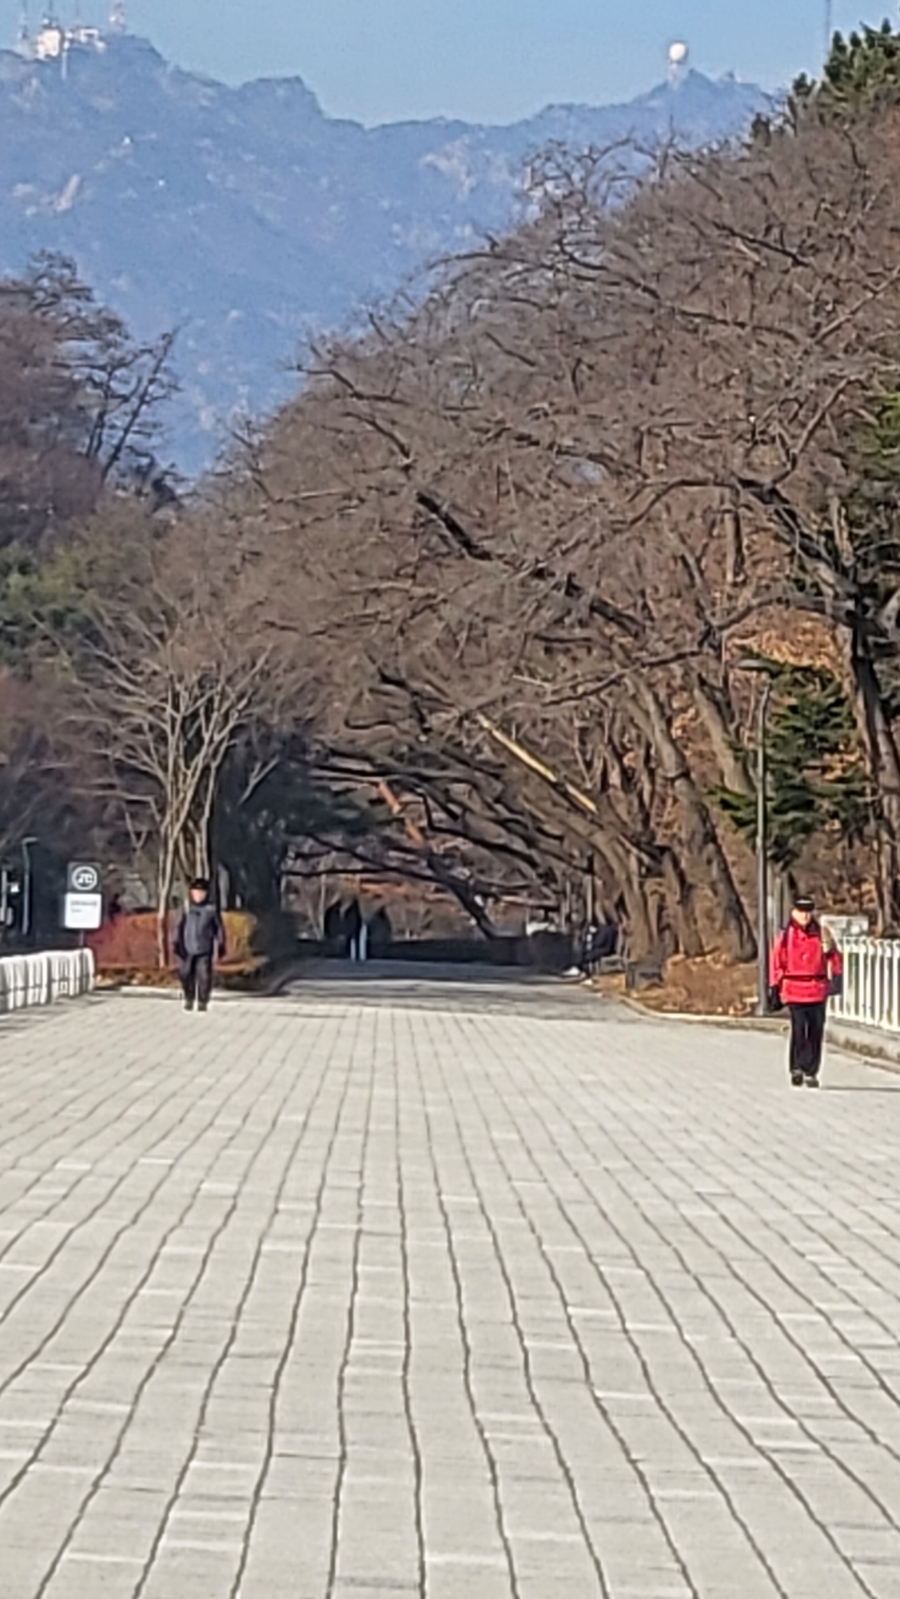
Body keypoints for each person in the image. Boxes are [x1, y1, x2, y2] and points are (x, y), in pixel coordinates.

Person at [768, 894, 843, 1088]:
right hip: (794, 988)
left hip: (817, 989)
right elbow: (777, 961)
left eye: (808, 912)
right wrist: (775, 986)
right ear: (794, 912)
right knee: (799, 1028)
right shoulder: (785, 936)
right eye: (801, 912)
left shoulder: (822, 934)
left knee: (816, 1031)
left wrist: (836, 977)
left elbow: (834, 957)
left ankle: (811, 1071)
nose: (805, 916)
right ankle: (798, 1066)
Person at [173, 878, 227, 1013]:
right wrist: (175, 941)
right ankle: (189, 998)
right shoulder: (185, 909)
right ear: (191, 893)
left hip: (204, 948)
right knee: (185, 974)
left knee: (204, 976)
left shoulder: (211, 910)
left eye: (201, 892)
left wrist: (221, 943)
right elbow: (178, 926)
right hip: (186, 948)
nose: (199, 895)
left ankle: (203, 1000)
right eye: (196, 892)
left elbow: (218, 928)